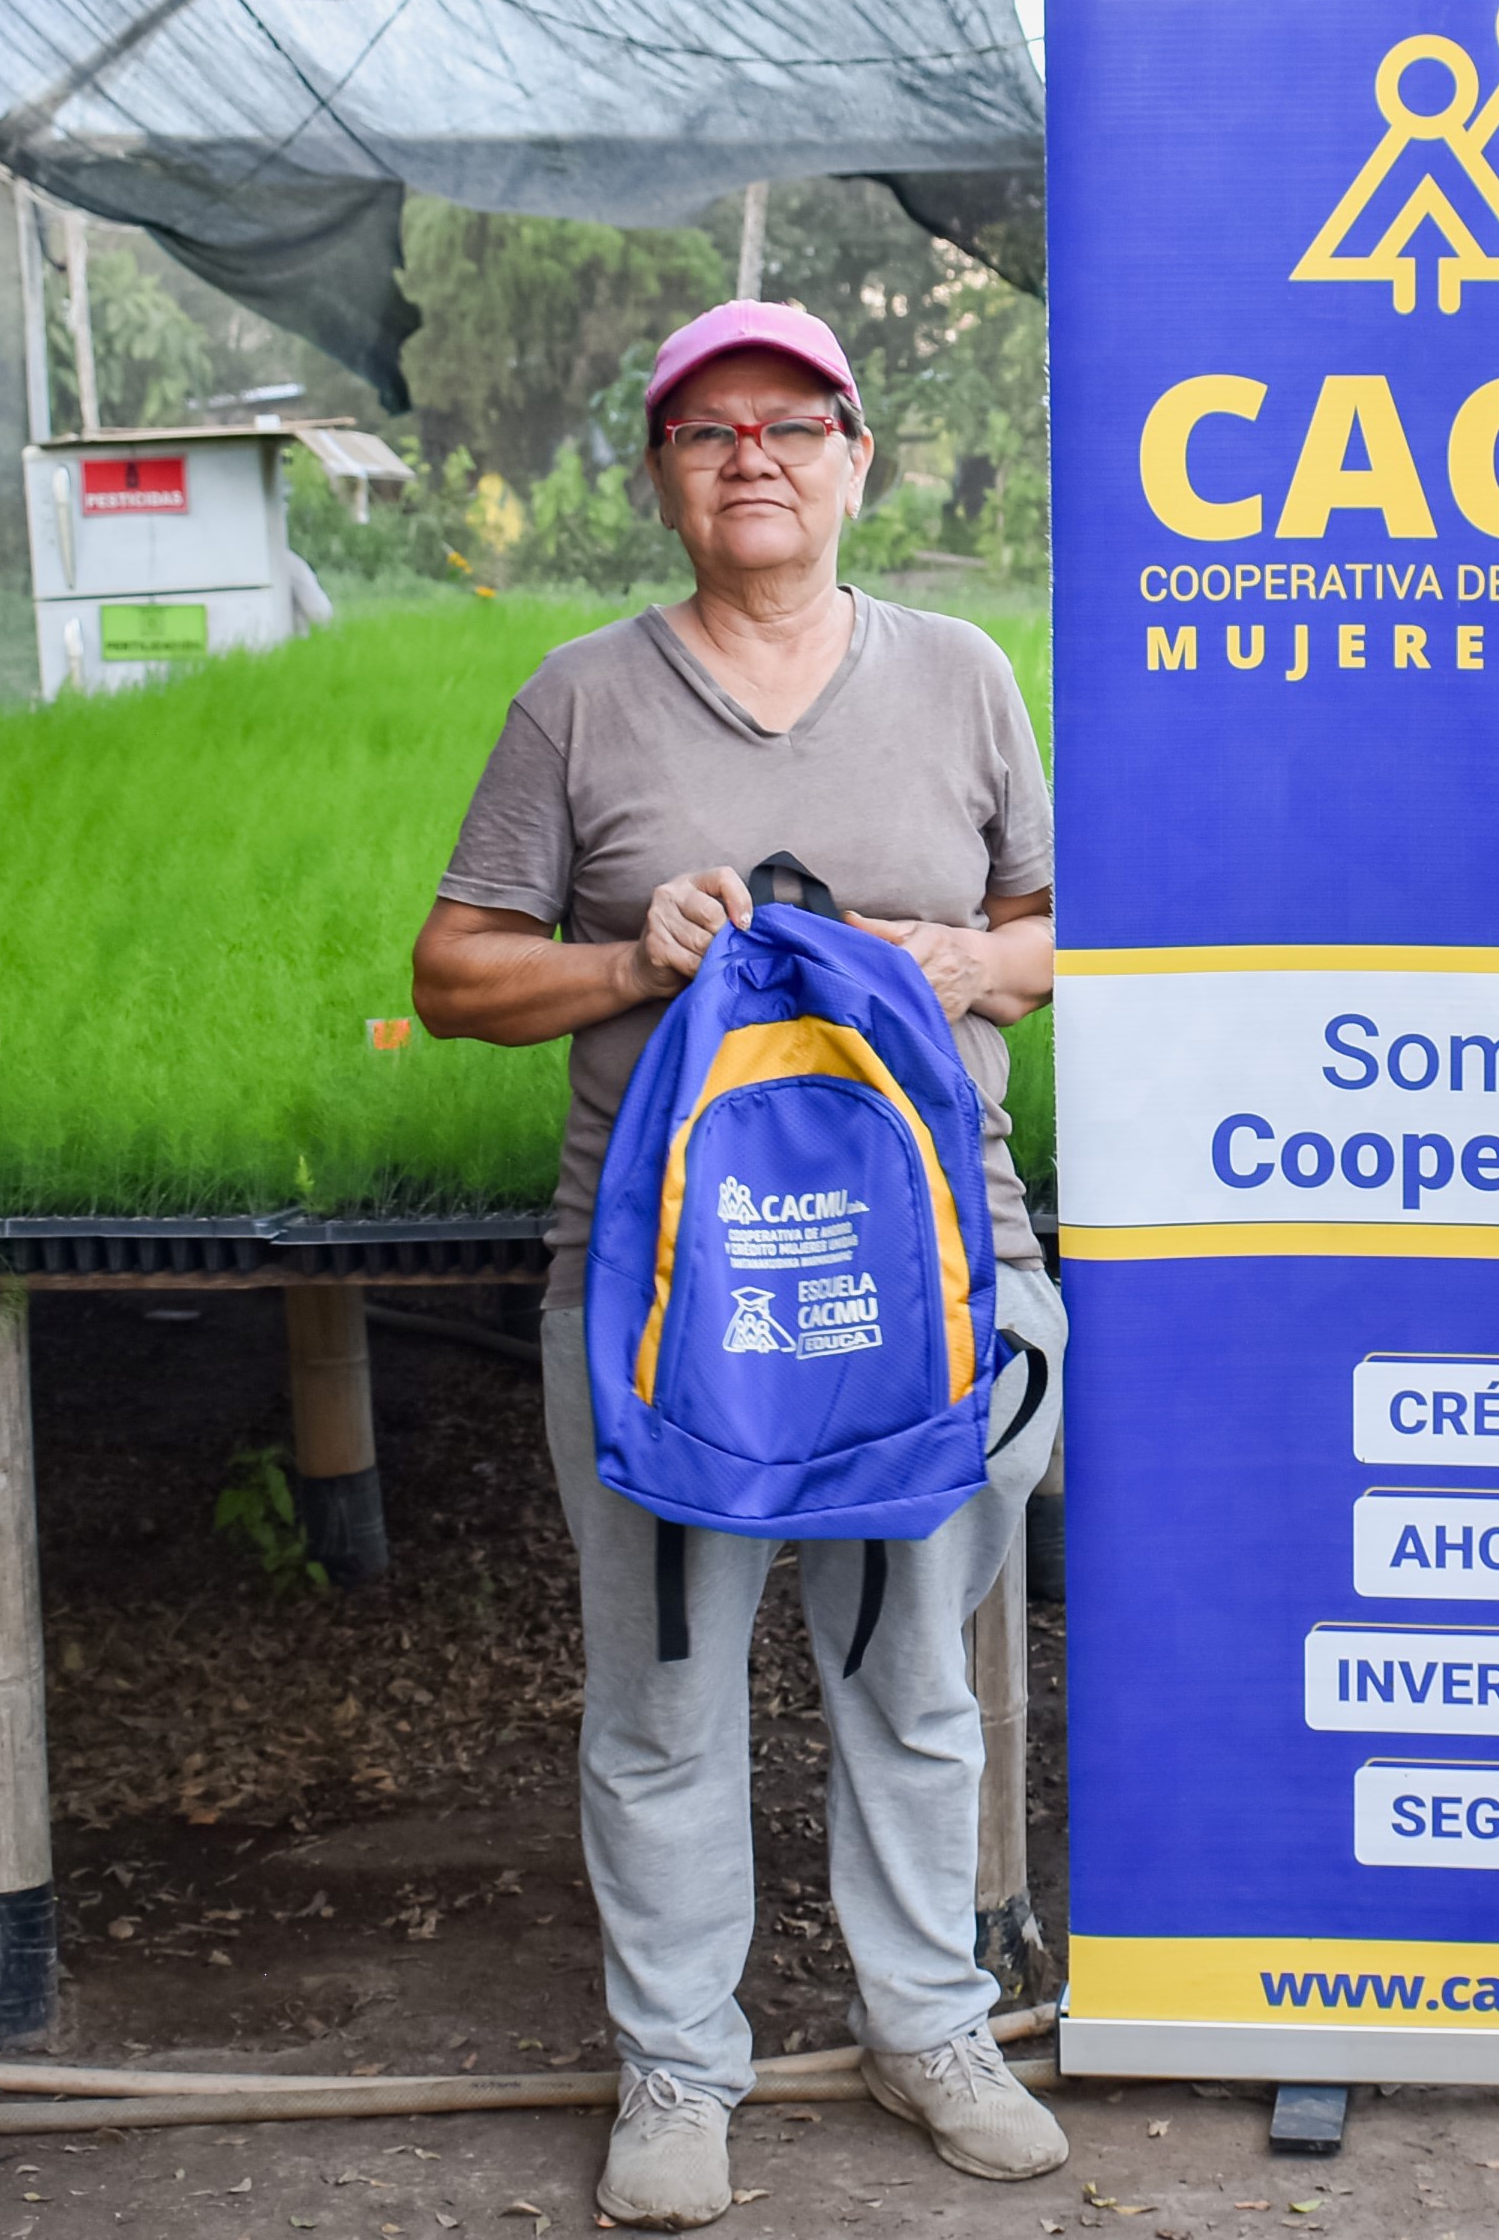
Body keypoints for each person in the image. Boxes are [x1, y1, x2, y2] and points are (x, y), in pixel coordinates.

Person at [409, 299, 1066, 2231]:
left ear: (859, 457)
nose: (754, 455)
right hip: (664, 1300)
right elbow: (451, 977)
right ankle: (679, 2071)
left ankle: (924, 2023)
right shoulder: (581, 699)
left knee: (912, 1681)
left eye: (795, 422)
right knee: (666, 1695)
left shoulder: (959, 679)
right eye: (710, 430)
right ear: (663, 476)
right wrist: (633, 961)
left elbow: (1076, 931)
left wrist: (962, 962)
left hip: (936, 1287)